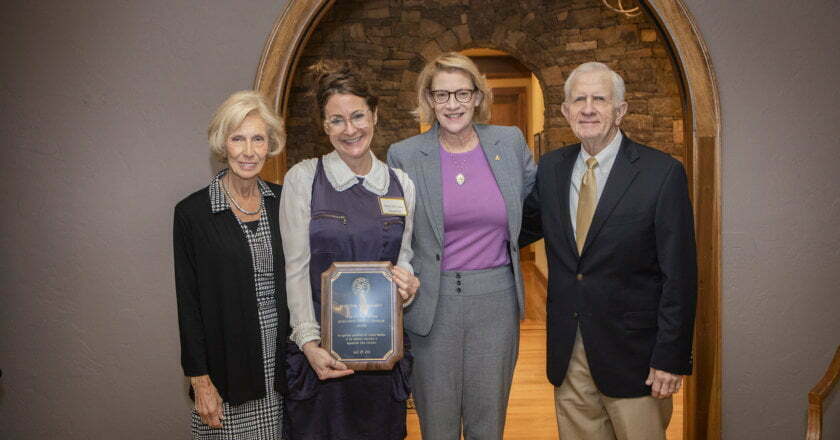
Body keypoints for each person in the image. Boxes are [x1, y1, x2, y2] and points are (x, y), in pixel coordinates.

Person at [519, 61, 698, 440]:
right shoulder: (551, 169)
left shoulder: (661, 173)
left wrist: (671, 357)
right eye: (578, 99)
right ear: (565, 111)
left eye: (599, 99)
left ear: (620, 110)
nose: (588, 109)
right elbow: (515, 230)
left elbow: (680, 276)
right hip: (569, 353)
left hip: (636, 356)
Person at [387, 52, 536, 439]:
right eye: (442, 95)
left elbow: (536, 207)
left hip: (496, 302)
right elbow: (394, 233)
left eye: (462, 94)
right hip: (431, 304)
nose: (452, 104)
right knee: (437, 423)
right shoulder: (404, 155)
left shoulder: (509, 142)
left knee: (488, 421)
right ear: (429, 99)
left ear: (477, 96)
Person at [278, 61, 420, 440]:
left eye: (357, 115)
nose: (350, 129)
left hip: (381, 354)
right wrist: (308, 343)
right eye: (336, 120)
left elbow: (403, 259)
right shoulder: (303, 179)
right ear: (324, 126)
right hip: (321, 357)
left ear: (374, 115)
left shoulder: (402, 184)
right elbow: (295, 269)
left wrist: (407, 286)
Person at [173, 90, 289, 439]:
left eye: (258, 139)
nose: (249, 151)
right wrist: (200, 380)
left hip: (284, 366)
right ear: (223, 144)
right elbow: (189, 304)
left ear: (270, 145)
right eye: (238, 139)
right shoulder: (193, 214)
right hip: (227, 369)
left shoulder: (284, 203)